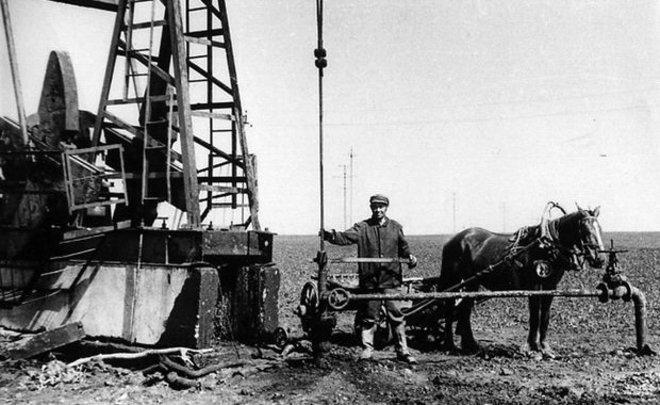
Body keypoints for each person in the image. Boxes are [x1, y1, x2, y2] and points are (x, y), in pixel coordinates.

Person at [322, 194, 418, 364]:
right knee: (369, 317)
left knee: (396, 316)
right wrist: (330, 235)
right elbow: (345, 237)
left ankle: (403, 350)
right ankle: (367, 349)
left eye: (381, 207)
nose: (378, 210)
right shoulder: (363, 228)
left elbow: (404, 249)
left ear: (386, 208)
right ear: (371, 208)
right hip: (371, 281)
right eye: (375, 207)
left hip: (390, 279)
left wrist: (410, 257)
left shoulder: (395, 228)